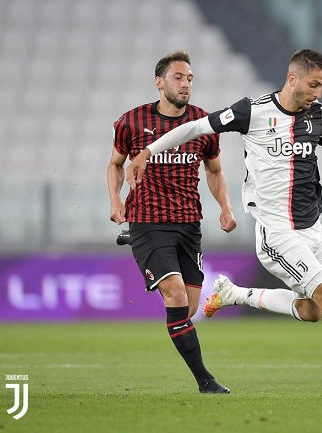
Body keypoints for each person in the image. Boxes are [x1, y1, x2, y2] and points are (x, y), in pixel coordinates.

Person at [126, 49, 322, 398]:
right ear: (293, 79)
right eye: (314, 84)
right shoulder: (252, 111)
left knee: (312, 311)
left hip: (310, 228)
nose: (318, 93)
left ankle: (234, 293)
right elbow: (199, 126)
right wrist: (148, 151)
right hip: (275, 231)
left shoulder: (317, 115)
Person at [107, 51, 237, 394]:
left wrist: (225, 206)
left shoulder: (202, 122)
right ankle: (205, 381)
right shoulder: (132, 121)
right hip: (148, 221)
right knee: (175, 296)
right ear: (160, 81)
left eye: (190, 78)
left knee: (188, 309)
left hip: (188, 223)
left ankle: (134, 241)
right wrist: (116, 199)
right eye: (178, 77)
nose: (185, 84)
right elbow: (115, 164)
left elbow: (214, 170)